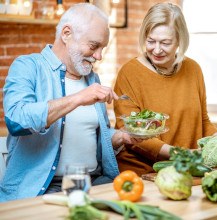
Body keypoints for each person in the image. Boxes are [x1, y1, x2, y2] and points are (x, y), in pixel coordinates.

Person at [0, 3, 140, 202]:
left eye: (102, 48)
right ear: (66, 34)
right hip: (45, 189)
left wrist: (121, 137)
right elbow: (16, 120)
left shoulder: (92, 79)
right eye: (94, 46)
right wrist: (78, 98)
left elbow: (89, 135)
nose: (99, 56)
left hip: (96, 182)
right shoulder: (28, 66)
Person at [113, 2, 217, 176]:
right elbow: (132, 135)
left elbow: (202, 120)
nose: (156, 50)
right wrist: (182, 154)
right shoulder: (129, 73)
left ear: (180, 40)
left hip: (187, 169)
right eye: (151, 41)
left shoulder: (193, 69)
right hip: (143, 173)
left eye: (165, 43)